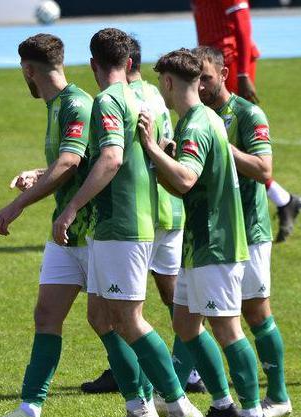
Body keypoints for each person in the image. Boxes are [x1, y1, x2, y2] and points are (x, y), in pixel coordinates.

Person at [54, 28, 203, 417]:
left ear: (93, 64)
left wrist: (71, 207)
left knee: (128, 317)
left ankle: (178, 406)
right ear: (130, 62)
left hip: (122, 222)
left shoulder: (108, 99)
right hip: (141, 219)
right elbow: (168, 146)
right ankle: (138, 411)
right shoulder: (152, 95)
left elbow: (112, 158)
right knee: (100, 315)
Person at [138, 48, 269, 417]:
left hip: (216, 241)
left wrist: (151, 148)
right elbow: (183, 180)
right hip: (200, 242)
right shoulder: (204, 118)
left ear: (167, 82)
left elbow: (185, 181)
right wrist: (165, 156)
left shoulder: (194, 125)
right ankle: (223, 404)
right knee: (185, 324)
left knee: (227, 328)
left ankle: (253, 412)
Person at [0, 33, 98, 417]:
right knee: (46, 316)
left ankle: (151, 405)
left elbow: (69, 161)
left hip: (94, 230)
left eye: (22, 71)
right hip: (67, 233)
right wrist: (37, 174)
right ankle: (28, 413)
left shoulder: (77, 103)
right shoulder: (56, 106)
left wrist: (17, 205)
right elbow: (67, 163)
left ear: (29, 70)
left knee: (115, 322)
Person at [81, 36, 207, 397]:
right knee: (133, 306)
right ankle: (145, 385)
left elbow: (118, 157)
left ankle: (180, 385)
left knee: (165, 303)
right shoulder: (151, 96)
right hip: (162, 206)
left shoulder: (123, 99)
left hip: (153, 211)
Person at [193, 45, 291, 417]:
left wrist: (222, 146)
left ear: (224, 74)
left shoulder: (247, 114)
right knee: (193, 312)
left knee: (255, 312)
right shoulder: (195, 115)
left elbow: (264, 170)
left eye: (206, 77)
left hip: (248, 230)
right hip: (209, 232)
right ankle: (186, 394)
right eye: (195, 78)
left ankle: (278, 396)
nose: (200, 85)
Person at [191, 0, 301, 242]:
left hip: (229, 67)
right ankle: (284, 200)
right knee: (219, 142)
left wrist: (242, 73)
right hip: (211, 66)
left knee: (230, 142)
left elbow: (243, 27)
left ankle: (267, 207)